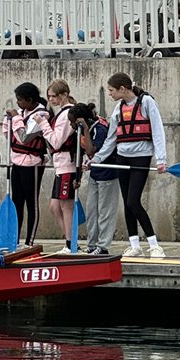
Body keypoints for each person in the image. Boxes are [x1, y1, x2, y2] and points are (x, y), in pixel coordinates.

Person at [91, 72, 168, 258]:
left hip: (141, 157)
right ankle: (134, 244)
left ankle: (154, 245)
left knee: (133, 201)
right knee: (127, 203)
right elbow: (111, 139)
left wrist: (161, 159)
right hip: (122, 157)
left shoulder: (146, 102)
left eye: (111, 90)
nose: (109, 94)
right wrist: (96, 160)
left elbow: (157, 129)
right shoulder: (119, 108)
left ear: (122, 89)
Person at [3, 81, 48, 247]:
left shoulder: (41, 115)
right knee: (17, 203)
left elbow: (24, 137)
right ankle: (14, 240)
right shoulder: (21, 112)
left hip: (32, 164)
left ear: (30, 100)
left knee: (32, 203)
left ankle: (29, 242)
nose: (18, 103)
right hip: (17, 162)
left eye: (20, 100)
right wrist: (11, 119)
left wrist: (15, 117)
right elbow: (9, 135)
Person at [71, 101, 118, 255]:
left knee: (105, 212)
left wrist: (84, 129)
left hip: (108, 174)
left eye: (72, 122)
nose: (70, 125)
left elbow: (91, 149)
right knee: (92, 211)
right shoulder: (80, 132)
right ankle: (92, 244)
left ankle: (103, 246)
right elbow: (80, 154)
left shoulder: (100, 129)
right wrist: (77, 177)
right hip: (95, 174)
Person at [39, 79, 79, 253]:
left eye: (54, 96)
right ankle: (69, 240)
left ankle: (71, 244)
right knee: (54, 207)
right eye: (49, 97)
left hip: (67, 166)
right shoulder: (60, 114)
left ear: (64, 95)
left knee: (66, 206)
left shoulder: (67, 114)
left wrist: (42, 124)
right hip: (60, 166)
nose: (51, 100)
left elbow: (56, 140)